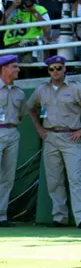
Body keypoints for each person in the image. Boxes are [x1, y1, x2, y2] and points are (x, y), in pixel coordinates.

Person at [27, 56, 81, 229]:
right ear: (48, 71)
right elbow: (30, 107)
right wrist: (39, 128)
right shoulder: (41, 90)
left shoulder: (76, 88)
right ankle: (59, 217)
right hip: (50, 137)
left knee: (75, 179)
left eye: (58, 68)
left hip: (70, 137)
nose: (55, 72)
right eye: (51, 69)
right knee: (54, 180)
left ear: (64, 69)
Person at [0, 55, 25, 228]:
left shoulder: (19, 92)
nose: (17, 70)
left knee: (8, 178)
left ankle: (1, 215)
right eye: (14, 67)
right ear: (4, 68)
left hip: (12, 132)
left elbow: (22, 114)